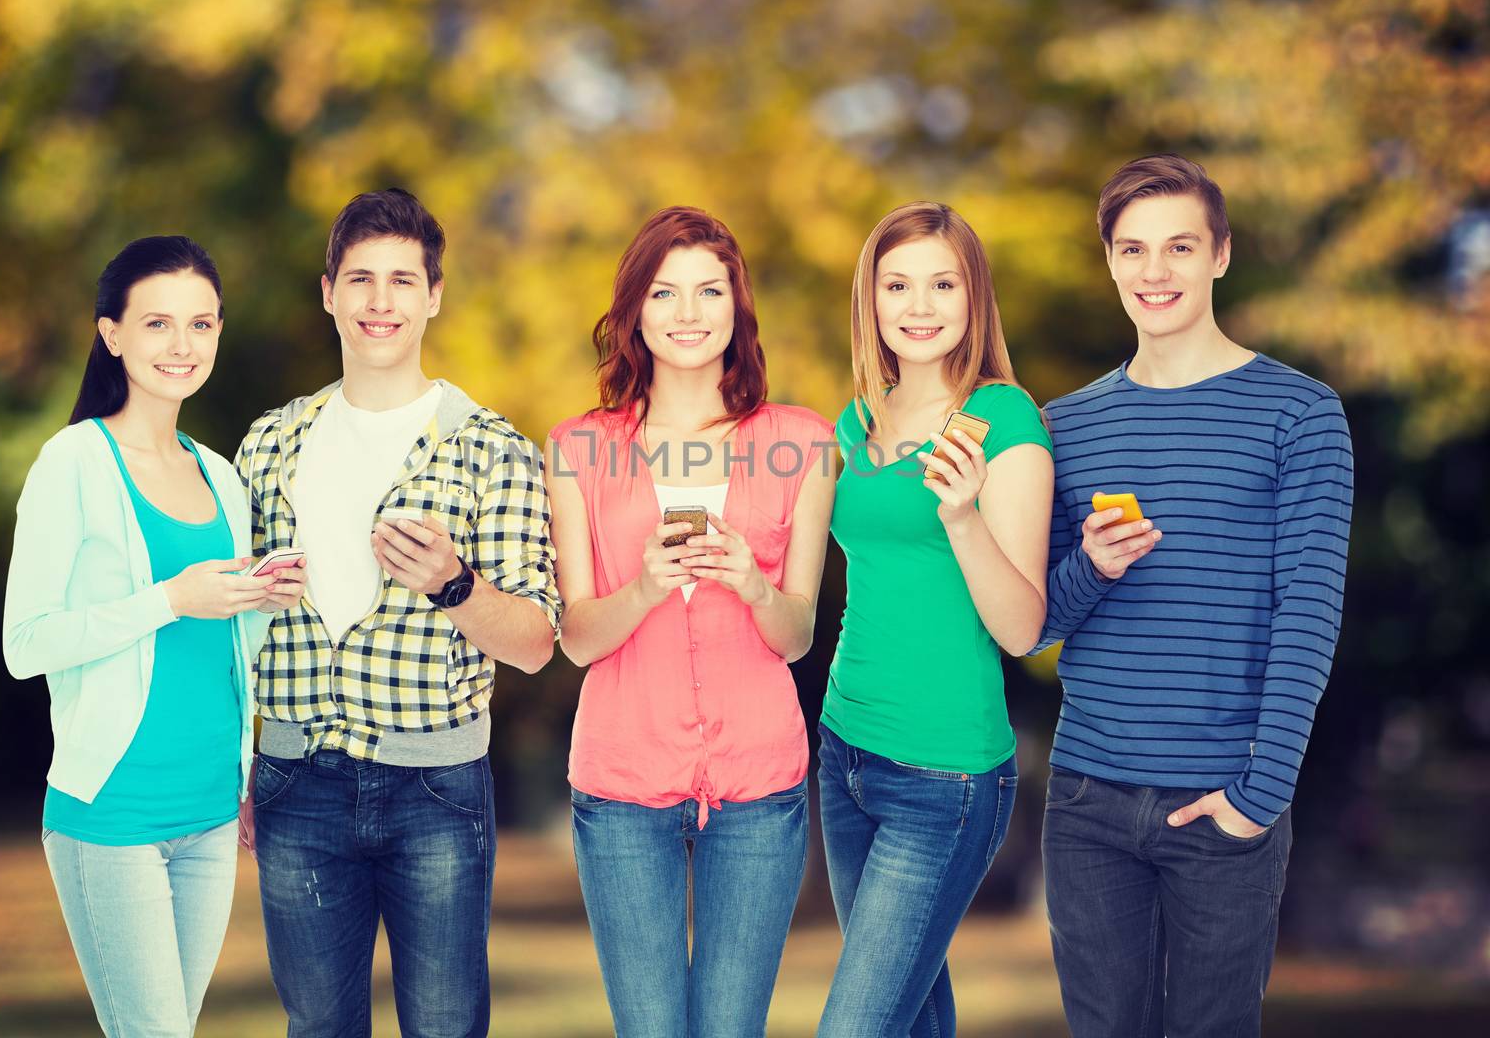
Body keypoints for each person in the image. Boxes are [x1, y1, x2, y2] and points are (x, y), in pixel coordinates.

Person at [1034, 154, 1354, 1037]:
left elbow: (1310, 611)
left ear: (1220, 254)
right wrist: (1092, 567)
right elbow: (1035, 628)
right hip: (1087, 797)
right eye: (1132, 249)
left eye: (1179, 247)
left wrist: (1260, 796)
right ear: (1109, 261)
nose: (1154, 271)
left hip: (1223, 798)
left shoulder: (1300, 413)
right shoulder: (1067, 424)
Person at [234, 188, 559, 1038]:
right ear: (328, 292)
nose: (381, 302)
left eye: (403, 281)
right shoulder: (269, 444)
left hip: (436, 792)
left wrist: (455, 584)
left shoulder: (492, 449)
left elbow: (534, 644)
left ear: (434, 296)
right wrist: (241, 759)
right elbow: (239, 628)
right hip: (296, 780)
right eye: (362, 279)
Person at [3, 236, 305, 1036]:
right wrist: (168, 598)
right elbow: (25, 643)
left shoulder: (221, 473)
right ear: (112, 334)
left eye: (202, 325)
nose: (183, 346)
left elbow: (222, 639)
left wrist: (263, 597)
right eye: (159, 324)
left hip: (209, 809)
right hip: (112, 813)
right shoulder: (72, 462)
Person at [545, 206, 834, 1037]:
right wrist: (641, 589)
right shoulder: (576, 449)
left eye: (710, 291)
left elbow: (797, 635)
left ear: (737, 307)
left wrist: (752, 583)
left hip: (760, 782)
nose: (688, 313)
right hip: (622, 781)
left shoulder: (804, 445)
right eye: (665, 293)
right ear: (635, 310)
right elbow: (576, 637)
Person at [817, 202, 1054, 1036]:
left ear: (974, 296)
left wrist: (961, 516)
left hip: (945, 775)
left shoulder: (1004, 421)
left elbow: (1024, 627)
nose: (919, 305)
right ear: (871, 300)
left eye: (942, 283)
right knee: (911, 1017)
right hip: (844, 752)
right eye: (898, 284)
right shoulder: (857, 421)